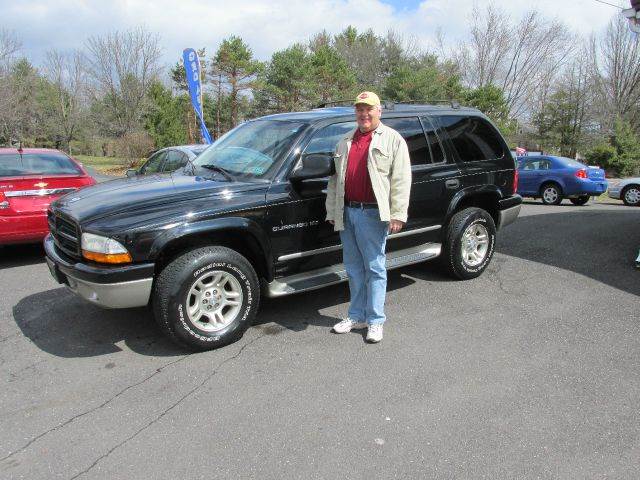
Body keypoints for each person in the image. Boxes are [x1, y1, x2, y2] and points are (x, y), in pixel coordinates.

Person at [325, 91, 411, 343]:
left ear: (379, 111)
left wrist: (397, 214)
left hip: (373, 213)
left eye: (369, 109)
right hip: (347, 212)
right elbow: (334, 181)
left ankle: (375, 321)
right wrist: (332, 211)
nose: (364, 114)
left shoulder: (393, 140)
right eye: (360, 109)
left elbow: (401, 180)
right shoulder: (344, 141)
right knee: (353, 268)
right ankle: (355, 315)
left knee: (374, 268)